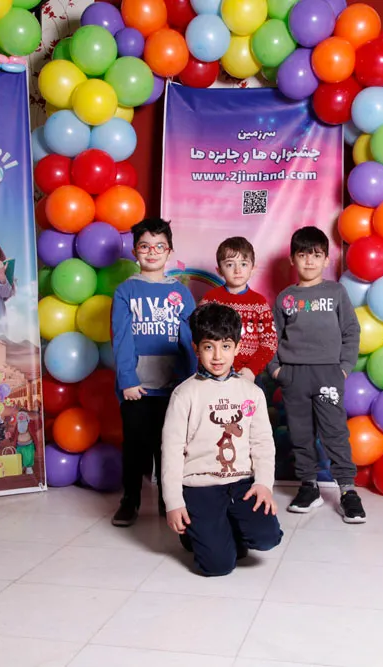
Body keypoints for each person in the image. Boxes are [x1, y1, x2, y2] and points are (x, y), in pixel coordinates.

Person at [162, 303, 283, 576]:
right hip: (201, 486)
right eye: (209, 347)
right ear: (196, 348)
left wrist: (264, 484)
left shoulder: (251, 392)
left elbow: (263, 443)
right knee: (218, 566)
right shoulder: (184, 394)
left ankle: (223, 527)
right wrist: (174, 502)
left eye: (226, 346)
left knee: (267, 537)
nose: (218, 356)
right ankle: (194, 532)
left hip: (241, 483)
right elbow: (171, 451)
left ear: (237, 347)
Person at [267, 227, 366, 523]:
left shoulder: (336, 292)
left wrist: (344, 368)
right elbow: (271, 338)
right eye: (302, 255)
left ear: (326, 260)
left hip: (328, 375)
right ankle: (309, 487)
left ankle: (347, 490)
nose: (309, 261)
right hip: (294, 376)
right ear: (292, 259)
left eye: (316, 255)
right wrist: (277, 370)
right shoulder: (285, 298)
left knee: (334, 432)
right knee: (300, 433)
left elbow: (351, 331)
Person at [111, 218, 197, 527]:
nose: (152, 252)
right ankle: (130, 500)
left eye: (159, 246)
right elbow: (121, 338)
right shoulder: (126, 291)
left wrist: (191, 380)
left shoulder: (181, 293)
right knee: (135, 446)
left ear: (169, 251)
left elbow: (190, 340)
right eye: (145, 246)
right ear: (135, 251)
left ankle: (168, 500)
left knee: (170, 447)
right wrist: (127, 380)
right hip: (138, 387)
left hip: (173, 387)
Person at [199, 237, 277, 381]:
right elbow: (198, 337)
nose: (237, 270)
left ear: (253, 269)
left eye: (243, 264)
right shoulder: (210, 300)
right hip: (213, 372)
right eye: (230, 264)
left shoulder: (259, 303)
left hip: (248, 374)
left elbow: (269, 343)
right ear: (219, 270)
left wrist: (252, 369)